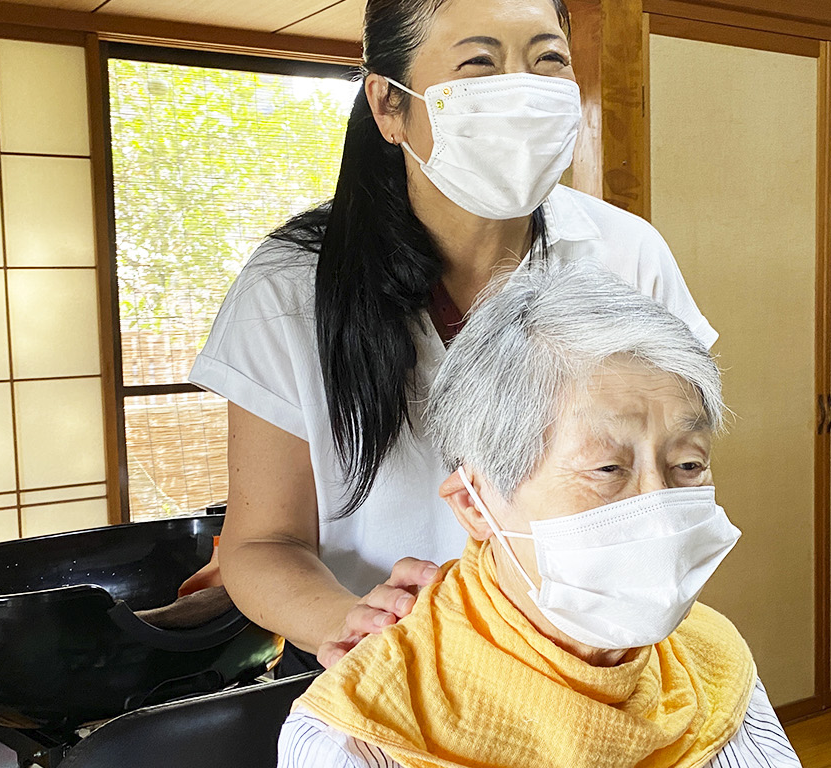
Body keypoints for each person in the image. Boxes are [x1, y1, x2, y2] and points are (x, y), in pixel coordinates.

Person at [186, 0, 716, 672]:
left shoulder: (628, 254)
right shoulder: (291, 285)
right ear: (388, 105)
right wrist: (356, 622)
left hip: (593, 661)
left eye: (548, 59)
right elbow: (262, 544)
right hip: (384, 667)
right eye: (481, 63)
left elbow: (675, 476)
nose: (521, 90)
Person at [277, 263, 799, 768]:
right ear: (474, 505)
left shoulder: (712, 656)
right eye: (607, 467)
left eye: (688, 463)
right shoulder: (364, 732)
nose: (656, 509)